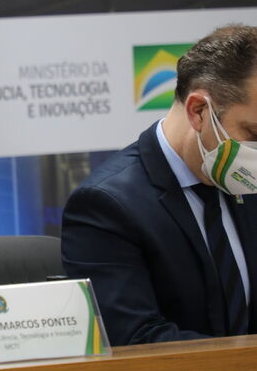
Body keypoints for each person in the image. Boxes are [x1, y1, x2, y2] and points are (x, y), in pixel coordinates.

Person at [62, 24, 257, 345]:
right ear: (198, 111)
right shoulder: (106, 204)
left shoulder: (244, 182)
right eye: (253, 133)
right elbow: (134, 338)